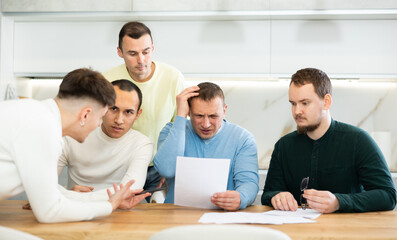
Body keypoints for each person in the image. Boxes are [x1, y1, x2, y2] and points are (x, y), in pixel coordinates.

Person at [0, 68, 150, 223]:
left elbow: (44, 189)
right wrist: (110, 205)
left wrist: (73, 196)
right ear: (85, 114)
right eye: (100, 117)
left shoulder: (34, 113)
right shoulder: (45, 129)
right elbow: (50, 211)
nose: (99, 124)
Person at [261, 67, 396, 213]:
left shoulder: (358, 140)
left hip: (346, 231)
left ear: (326, 102)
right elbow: (268, 194)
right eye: (293, 103)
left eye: (305, 103)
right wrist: (277, 196)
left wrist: (339, 202)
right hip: (296, 232)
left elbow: (388, 195)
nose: (297, 111)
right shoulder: (283, 146)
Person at [103, 21, 184, 193]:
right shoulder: (106, 80)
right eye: (132, 54)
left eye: (146, 52)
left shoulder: (173, 78)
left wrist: (168, 166)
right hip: (120, 165)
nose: (141, 60)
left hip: (158, 167)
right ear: (119, 52)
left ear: (153, 48)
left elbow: (179, 128)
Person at [153, 82, 259, 211]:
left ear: (224, 111)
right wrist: (180, 116)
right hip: (176, 215)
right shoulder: (171, 131)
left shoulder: (242, 139)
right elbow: (166, 169)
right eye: (199, 115)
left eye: (213, 116)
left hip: (224, 217)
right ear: (189, 112)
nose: (206, 124)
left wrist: (241, 197)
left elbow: (248, 182)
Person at [58, 79, 153, 196]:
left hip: (119, 212)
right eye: (113, 109)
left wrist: (74, 197)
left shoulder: (142, 144)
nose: (119, 120)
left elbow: (130, 190)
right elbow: (43, 184)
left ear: (138, 114)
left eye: (128, 112)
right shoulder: (72, 135)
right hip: (76, 210)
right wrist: (68, 193)